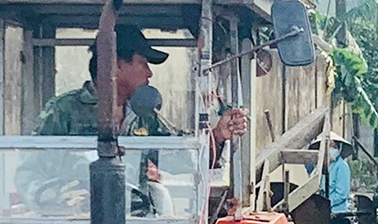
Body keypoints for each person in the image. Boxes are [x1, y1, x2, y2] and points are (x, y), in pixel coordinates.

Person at [35, 24, 247, 159]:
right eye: (143, 63)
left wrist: (218, 135)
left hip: (138, 218)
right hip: (75, 221)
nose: (149, 73)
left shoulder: (146, 115)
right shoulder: (63, 111)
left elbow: (183, 161)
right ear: (116, 64)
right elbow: (30, 173)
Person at [323, 133, 354, 224]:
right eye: (329, 146)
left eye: (334, 146)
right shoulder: (323, 168)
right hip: (324, 216)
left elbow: (342, 193)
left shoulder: (342, 167)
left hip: (338, 214)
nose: (331, 149)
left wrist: (326, 204)